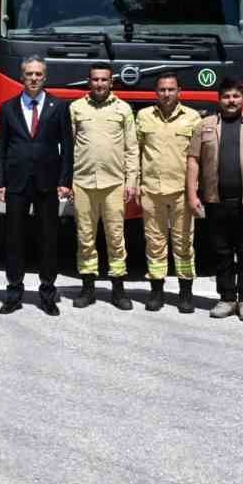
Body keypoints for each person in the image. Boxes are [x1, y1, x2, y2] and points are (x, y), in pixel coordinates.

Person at [186, 77, 243, 321]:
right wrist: (193, 194)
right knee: (221, 252)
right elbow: (193, 159)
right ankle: (226, 298)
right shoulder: (205, 126)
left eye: (236, 96)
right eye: (226, 96)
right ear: (219, 99)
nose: (231, 101)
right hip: (215, 201)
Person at [0, 55, 73, 315]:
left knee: (48, 240)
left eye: (38, 74)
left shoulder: (58, 107)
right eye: (29, 74)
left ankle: (47, 293)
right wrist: (0, 181)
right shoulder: (8, 108)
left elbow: (67, 148)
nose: (34, 78)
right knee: (14, 239)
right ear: (22, 77)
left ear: (45, 77)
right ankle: (14, 293)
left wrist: (65, 180)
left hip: (48, 183)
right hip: (16, 183)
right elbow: (2, 148)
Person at [69, 63, 139, 310]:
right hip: (83, 183)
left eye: (104, 80)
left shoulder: (123, 109)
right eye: (95, 79)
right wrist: (67, 181)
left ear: (111, 82)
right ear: (89, 82)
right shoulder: (76, 108)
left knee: (116, 238)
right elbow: (68, 149)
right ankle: (87, 288)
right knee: (85, 238)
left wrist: (132, 181)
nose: (99, 84)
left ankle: (118, 290)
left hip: (114, 184)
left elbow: (132, 149)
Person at [136, 74, 202, 312]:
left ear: (179, 91)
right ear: (156, 92)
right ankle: (156, 292)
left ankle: (185, 294)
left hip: (182, 192)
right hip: (152, 191)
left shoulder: (193, 118)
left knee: (184, 243)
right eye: (162, 89)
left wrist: (197, 189)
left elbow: (199, 157)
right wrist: (135, 182)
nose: (166, 94)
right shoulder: (143, 117)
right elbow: (136, 152)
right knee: (154, 243)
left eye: (171, 89)